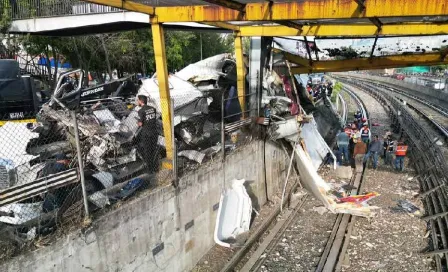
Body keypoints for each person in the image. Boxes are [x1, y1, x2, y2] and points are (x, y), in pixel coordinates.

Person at [136, 95, 159, 173]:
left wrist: (137, 122)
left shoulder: (141, 111)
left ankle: (150, 170)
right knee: (154, 150)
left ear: (141, 101)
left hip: (146, 134)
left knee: (147, 152)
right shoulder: (153, 109)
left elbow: (140, 124)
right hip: (154, 132)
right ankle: (156, 168)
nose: (137, 102)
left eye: (138, 100)